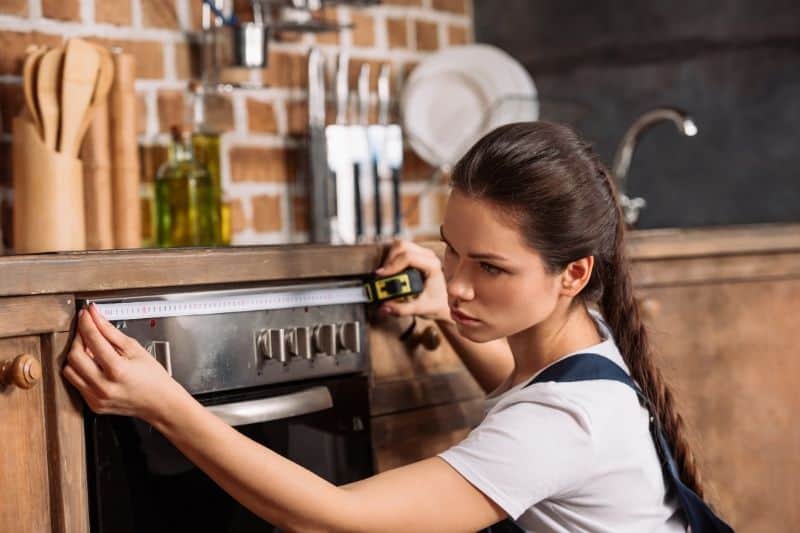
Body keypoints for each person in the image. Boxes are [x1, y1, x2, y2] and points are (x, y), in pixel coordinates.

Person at [64, 122, 704, 532]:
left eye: (490, 268)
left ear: (572, 272)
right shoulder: (584, 335)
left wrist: (166, 405)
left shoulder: (563, 424)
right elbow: (518, 387)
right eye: (452, 249)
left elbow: (333, 518)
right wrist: (445, 316)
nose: (457, 283)